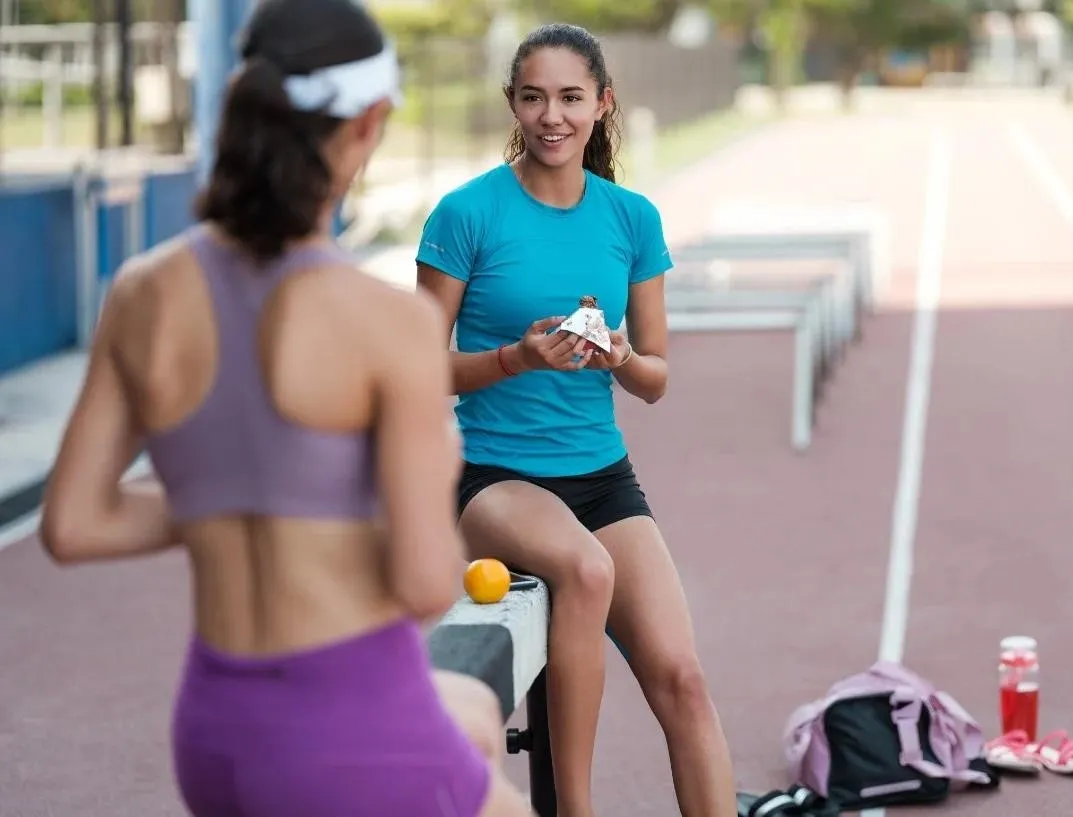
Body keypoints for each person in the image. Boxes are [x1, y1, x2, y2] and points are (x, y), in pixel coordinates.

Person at [39, 2, 532, 816]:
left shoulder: (140, 294)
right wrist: (411, 478)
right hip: (354, 728)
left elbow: (73, 524)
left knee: (475, 710)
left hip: (216, 734)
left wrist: (230, 492)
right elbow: (421, 583)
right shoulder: (389, 323)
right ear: (369, 123)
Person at [415, 22, 736, 817]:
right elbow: (414, 372)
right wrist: (515, 359)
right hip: (495, 476)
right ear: (512, 105)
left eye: (569, 97)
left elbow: (655, 379)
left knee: (684, 681)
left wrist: (618, 356)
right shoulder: (465, 214)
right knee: (587, 571)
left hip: (600, 479)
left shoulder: (631, 218)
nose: (551, 115)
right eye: (533, 98)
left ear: (602, 104)